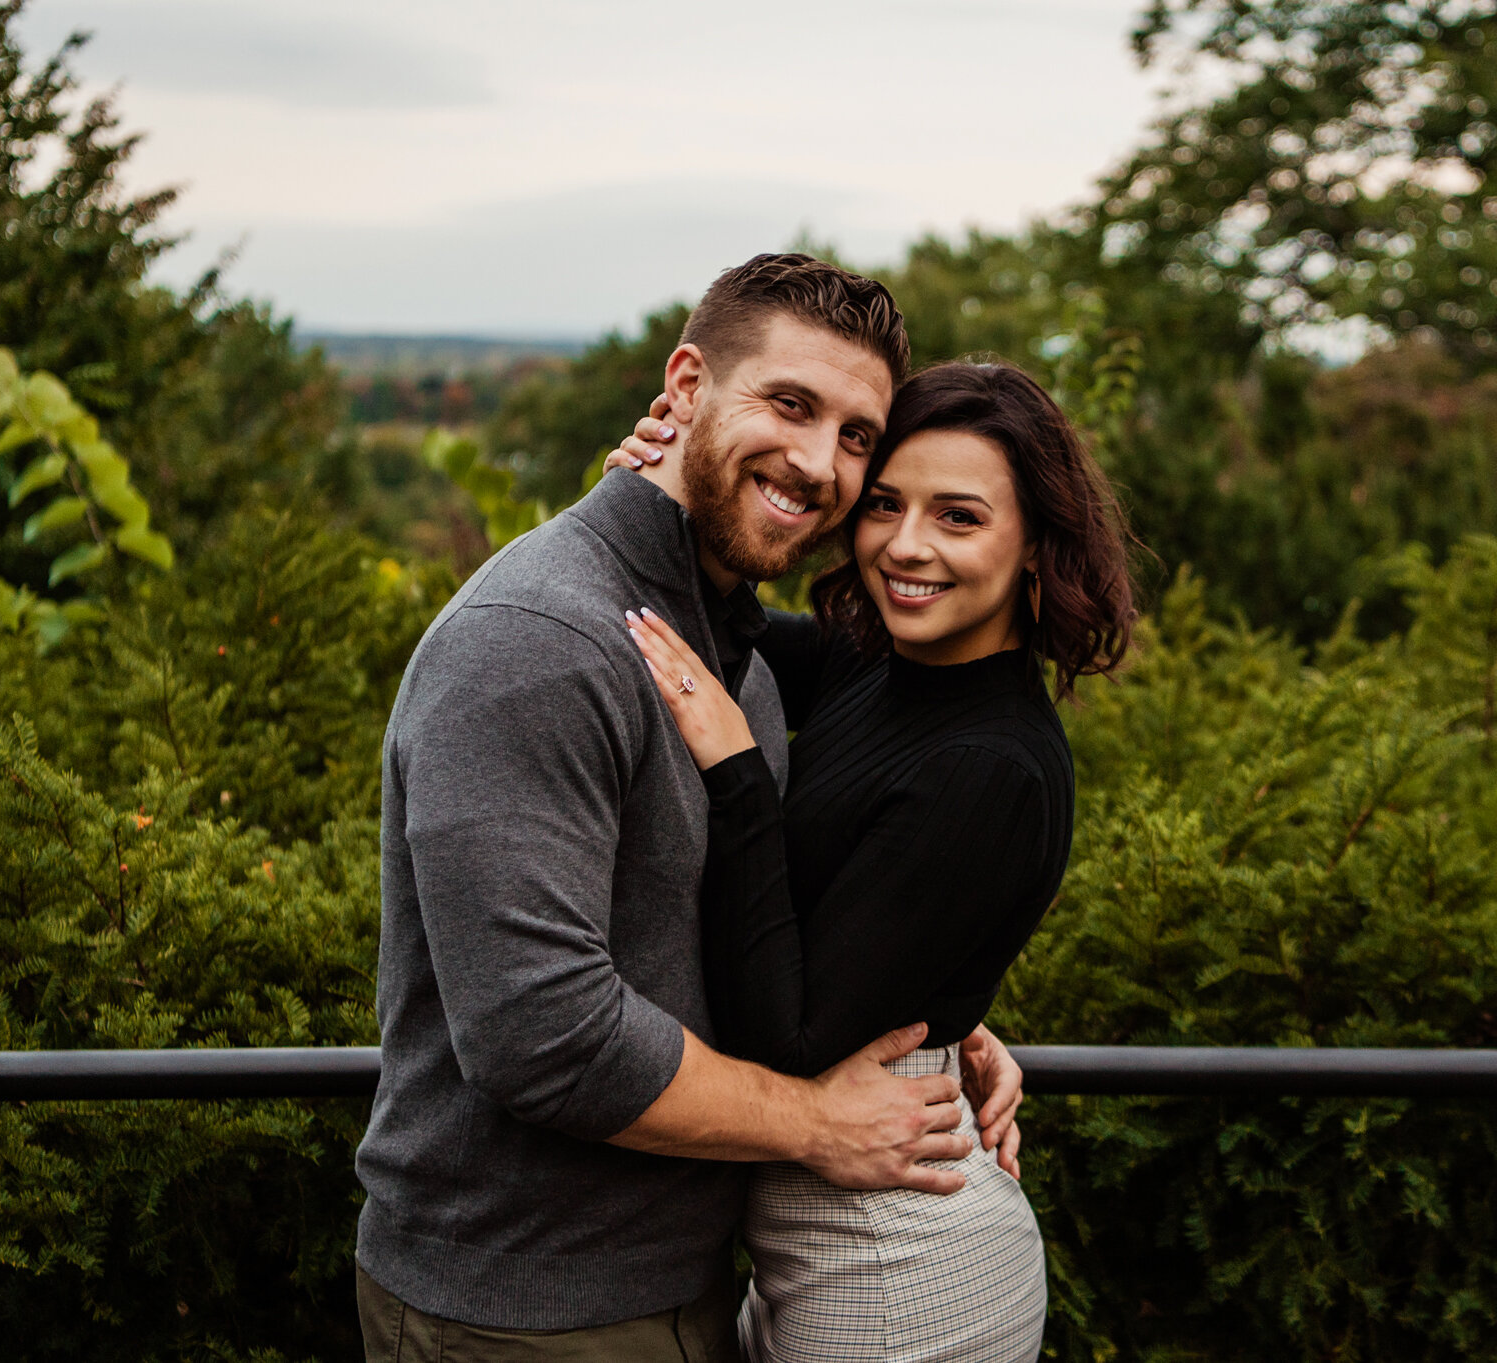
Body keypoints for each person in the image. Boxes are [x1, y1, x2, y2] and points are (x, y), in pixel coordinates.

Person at [354, 255, 1028, 1363]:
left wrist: (928, 1012)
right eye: (789, 404)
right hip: (525, 1311)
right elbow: (543, 1036)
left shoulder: (730, 644)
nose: (818, 463)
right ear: (684, 385)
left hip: (679, 1285)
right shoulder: (538, 641)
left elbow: (712, 920)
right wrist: (819, 1123)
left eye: (857, 435)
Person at [613, 359, 1137, 1361]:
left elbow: (795, 1039)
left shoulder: (994, 767)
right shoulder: (874, 663)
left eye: (958, 518)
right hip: (819, 1247)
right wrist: (653, 492)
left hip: (899, 1269)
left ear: (1036, 546)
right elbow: (710, 624)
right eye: (885, 504)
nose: (905, 547)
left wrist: (735, 772)